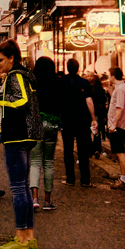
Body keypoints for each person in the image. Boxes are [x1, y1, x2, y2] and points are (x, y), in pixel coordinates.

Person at [0, 40, 42, 249]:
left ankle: (22, 238)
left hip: (16, 135)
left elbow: (21, 100)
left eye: (0, 60)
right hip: (27, 135)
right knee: (24, 187)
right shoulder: (25, 73)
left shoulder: (15, 75)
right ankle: (28, 236)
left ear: (12, 58)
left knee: (18, 188)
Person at [56, 60, 96, 189]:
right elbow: (89, 101)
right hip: (82, 120)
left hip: (66, 119)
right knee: (82, 150)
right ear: (78, 68)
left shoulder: (61, 82)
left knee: (68, 149)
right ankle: (85, 179)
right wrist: (93, 118)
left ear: (67, 68)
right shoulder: (83, 82)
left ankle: (70, 178)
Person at [31, 55, 61, 211]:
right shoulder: (57, 82)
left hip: (36, 124)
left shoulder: (32, 83)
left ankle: (34, 198)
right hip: (52, 123)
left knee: (35, 162)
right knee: (49, 162)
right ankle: (47, 200)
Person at [106, 65, 125, 185]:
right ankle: (122, 177)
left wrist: (114, 124)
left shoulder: (121, 89)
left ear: (113, 76)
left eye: (109, 75)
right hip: (118, 125)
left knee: (120, 151)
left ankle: (123, 179)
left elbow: (119, 107)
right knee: (118, 150)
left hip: (118, 126)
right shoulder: (120, 88)